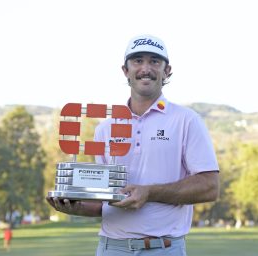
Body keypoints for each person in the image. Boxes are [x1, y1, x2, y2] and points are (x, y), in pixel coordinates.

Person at [47, 34, 220, 255]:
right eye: (138, 60)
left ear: (167, 71)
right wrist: (76, 207)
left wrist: (149, 192)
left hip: (164, 248)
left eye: (154, 61)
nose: (145, 68)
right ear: (125, 70)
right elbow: (106, 201)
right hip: (112, 248)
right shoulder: (105, 128)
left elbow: (210, 187)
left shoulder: (186, 120)